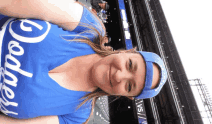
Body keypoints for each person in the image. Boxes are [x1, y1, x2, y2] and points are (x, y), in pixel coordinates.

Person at [0, 0, 167, 124]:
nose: (119, 75)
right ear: (126, 52)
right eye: (130, 65)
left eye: (129, 85)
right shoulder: (90, 27)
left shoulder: (78, 115)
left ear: (127, 96)